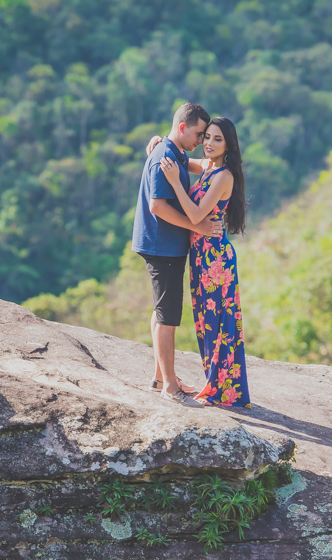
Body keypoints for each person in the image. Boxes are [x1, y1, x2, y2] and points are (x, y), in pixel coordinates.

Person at [131, 102, 222, 406]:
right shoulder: (166, 156)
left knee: (161, 311)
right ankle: (170, 386)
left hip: (163, 244)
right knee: (168, 316)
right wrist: (198, 224)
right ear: (183, 127)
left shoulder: (175, 153)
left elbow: (206, 164)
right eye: (199, 134)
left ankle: (161, 376)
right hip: (162, 245)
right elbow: (158, 206)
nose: (202, 141)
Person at [155, 117, 250, 407]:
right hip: (202, 257)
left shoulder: (224, 176)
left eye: (217, 139)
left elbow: (196, 216)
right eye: (206, 136)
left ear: (228, 144)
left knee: (218, 323)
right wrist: (160, 143)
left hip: (215, 260)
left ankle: (224, 390)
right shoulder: (208, 166)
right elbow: (182, 159)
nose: (208, 143)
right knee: (205, 323)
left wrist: (174, 183)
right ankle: (217, 384)